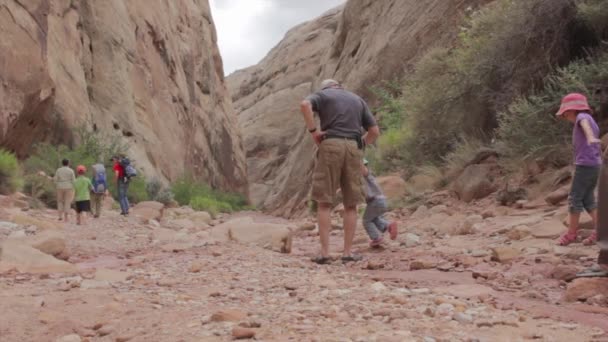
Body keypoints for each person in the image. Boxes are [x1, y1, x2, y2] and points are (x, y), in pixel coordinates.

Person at [300, 79, 380, 264]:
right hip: (353, 147)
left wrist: (313, 131)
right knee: (351, 204)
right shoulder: (358, 100)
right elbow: (374, 131)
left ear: (326, 87)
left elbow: (304, 105)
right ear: (340, 86)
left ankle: (325, 254)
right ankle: (347, 253)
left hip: (330, 145)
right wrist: (359, 145)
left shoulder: (322, 95)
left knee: (324, 202)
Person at [555, 93, 602, 246]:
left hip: (585, 166)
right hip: (595, 165)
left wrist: (589, 137)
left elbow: (585, 127)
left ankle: (571, 234)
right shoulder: (591, 119)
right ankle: (601, 230)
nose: (565, 116)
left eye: (565, 113)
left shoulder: (582, 117)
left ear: (571, 110)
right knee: (588, 199)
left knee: (574, 199)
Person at [361, 159, 398, 247]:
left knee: (366, 221)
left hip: (375, 201)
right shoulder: (364, 179)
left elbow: (363, 169)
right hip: (380, 201)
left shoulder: (367, 175)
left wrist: (357, 161)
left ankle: (376, 238)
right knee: (373, 219)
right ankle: (388, 226)